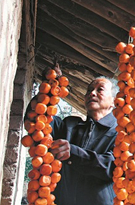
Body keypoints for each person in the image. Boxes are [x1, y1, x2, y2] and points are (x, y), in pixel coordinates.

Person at [47, 76, 118, 205]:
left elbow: (112, 167)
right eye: (89, 90)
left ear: (113, 101)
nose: (92, 93)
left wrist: (73, 153)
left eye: (99, 90)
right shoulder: (69, 125)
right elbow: (37, 120)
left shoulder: (119, 134)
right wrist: (52, 84)